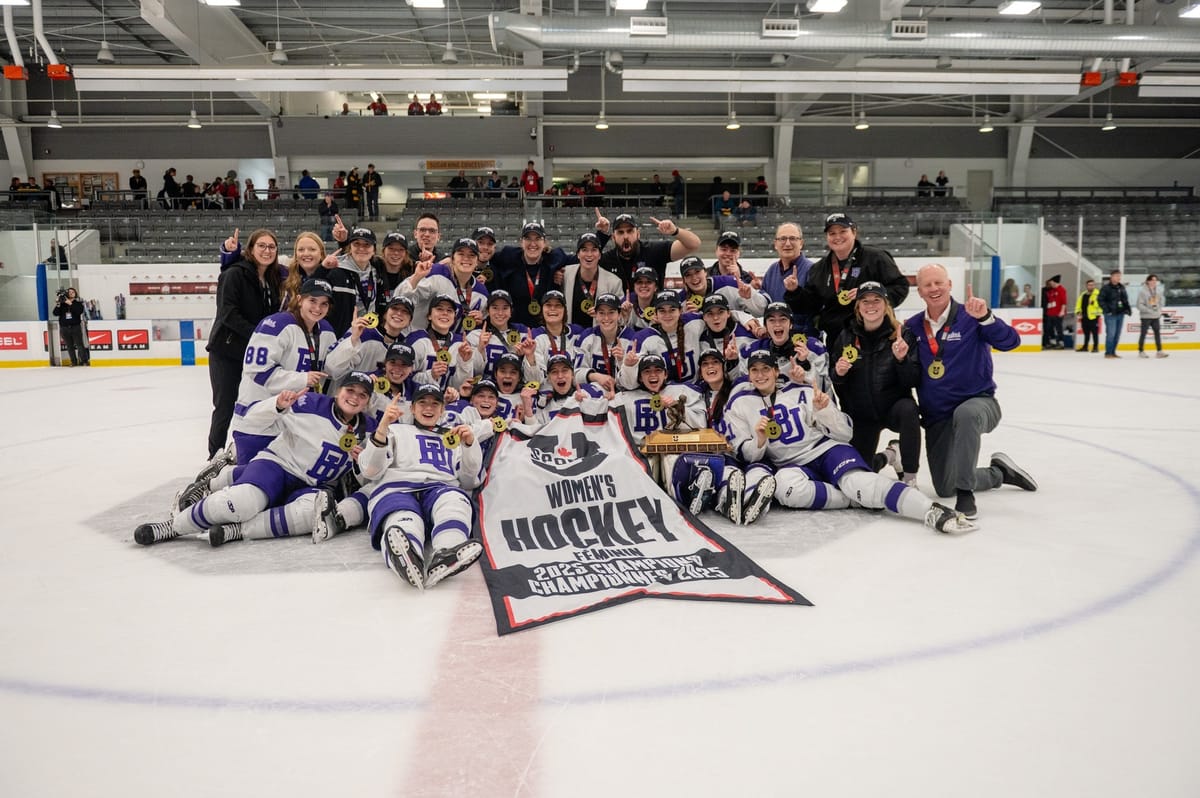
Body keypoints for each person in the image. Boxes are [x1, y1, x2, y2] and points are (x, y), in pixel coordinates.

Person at [720, 351, 975, 532]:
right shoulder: (739, 404)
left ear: (776, 371)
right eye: (755, 370)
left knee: (857, 481)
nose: (761, 374)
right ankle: (856, 498)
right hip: (789, 464)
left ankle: (930, 510)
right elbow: (748, 456)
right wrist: (760, 440)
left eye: (766, 369)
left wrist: (825, 412)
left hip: (826, 449)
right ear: (748, 374)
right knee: (786, 491)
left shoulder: (802, 391)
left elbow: (845, 434)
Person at [134, 373, 376, 548]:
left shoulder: (369, 430)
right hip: (278, 467)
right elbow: (252, 421)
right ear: (338, 391)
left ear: (368, 402)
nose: (354, 398)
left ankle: (237, 531)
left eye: (362, 395)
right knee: (243, 503)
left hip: (310, 485)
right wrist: (277, 406)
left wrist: (362, 461)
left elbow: (370, 473)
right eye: (349, 390)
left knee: (310, 515)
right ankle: (172, 527)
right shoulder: (310, 404)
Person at [904, 263, 1037, 520]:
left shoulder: (971, 315)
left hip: (979, 404)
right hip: (938, 417)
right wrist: (900, 359)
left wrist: (986, 317)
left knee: (965, 415)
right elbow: (910, 374)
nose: (934, 289)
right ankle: (999, 473)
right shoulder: (912, 327)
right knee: (944, 487)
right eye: (927, 285)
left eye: (939, 282)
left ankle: (966, 493)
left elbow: (1011, 342)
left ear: (949, 285)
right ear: (919, 291)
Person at [358, 384, 484, 590]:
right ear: (413, 409)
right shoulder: (395, 430)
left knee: (455, 501)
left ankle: (447, 552)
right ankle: (406, 554)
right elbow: (370, 471)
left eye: (435, 404)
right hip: (398, 488)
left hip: (439, 488)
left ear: (442, 410)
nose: (429, 408)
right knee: (402, 515)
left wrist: (469, 445)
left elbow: (469, 481)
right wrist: (382, 429)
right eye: (422, 403)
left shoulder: (452, 438)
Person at [829, 282, 921, 486]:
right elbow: (834, 378)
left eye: (876, 300)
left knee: (909, 410)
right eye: (865, 301)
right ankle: (889, 455)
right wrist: (839, 372)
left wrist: (901, 360)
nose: (871, 305)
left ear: (885, 304)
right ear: (858, 307)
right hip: (862, 416)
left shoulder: (902, 335)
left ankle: (910, 477)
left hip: (893, 408)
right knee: (859, 476)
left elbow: (912, 380)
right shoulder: (846, 336)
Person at [205, 229, 283, 460]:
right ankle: (214, 456)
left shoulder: (273, 278)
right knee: (225, 406)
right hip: (226, 352)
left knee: (256, 406)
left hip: (254, 355)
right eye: (262, 246)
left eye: (271, 247)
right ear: (250, 249)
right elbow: (228, 314)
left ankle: (250, 454)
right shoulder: (234, 274)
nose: (267, 251)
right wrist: (260, 336)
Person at [787, 212, 909, 346]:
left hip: (876, 337)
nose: (837, 237)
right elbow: (810, 305)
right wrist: (794, 292)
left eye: (843, 231)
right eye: (832, 233)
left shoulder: (876, 258)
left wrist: (869, 295)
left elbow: (900, 287)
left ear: (854, 232)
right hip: (837, 339)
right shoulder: (819, 268)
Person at [599, 212, 701, 291]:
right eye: (620, 232)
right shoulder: (607, 259)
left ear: (638, 234)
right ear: (613, 237)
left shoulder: (654, 251)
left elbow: (694, 244)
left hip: (654, 314)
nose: (626, 236)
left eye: (630, 231)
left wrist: (675, 231)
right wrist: (601, 235)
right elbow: (585, 263)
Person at [324, 227, 382, 337]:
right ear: (350, 247)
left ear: (374, 250)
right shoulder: (335, 270)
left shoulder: (376, 270)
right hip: (342, 334)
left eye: (366, 245)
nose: (361, 248)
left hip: (368, 332)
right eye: (356, 244)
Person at [561, 231, 623, 327]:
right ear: (578, 254)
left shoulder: (614, 282)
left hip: (599, 337)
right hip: (570, 337)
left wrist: (603, 313)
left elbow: (620, 319)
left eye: (594, 250)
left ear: (599, 255)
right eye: (584, 250)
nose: (589, 254)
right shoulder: (565, 274)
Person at [761, 223, 814, 309]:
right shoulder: (772, 270)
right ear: (775, 244)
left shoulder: (812, 270)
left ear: (801, 243)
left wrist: (795, 291)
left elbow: (813, 307)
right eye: (783, 239)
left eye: (792, 238)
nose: (788, 244)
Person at [1098, 269, 1132, 359]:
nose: (1118, 278)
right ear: (1111, 277)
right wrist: (1107, 310)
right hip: (1110, 314)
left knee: (1117, 334)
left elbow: (1125, 299)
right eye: (1117, 276)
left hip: (1120, 314)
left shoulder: (1121, 287)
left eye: (1119, 276)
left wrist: (1127, 309)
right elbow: (1100, 300)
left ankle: (1113, 352)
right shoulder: (1106, 288)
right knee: (1111, 334)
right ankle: (1108, 353)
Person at [52, 287, 90, 367]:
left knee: (80, 345)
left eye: (73, 292)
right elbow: (55, 313)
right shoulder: (62, 304)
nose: (71, 293)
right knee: (69, 346)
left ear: (75, 293)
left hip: (75, 327)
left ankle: (84, 361)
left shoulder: (78, 303)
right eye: (69, 292)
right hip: (64, 328)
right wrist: (58, 304)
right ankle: (73, 362)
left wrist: (70, 303)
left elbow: (79, 311)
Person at [1136, 274, 1169, 359]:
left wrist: (1158, 308)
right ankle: (1141, 351)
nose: (1154, 282)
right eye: (1152, 280)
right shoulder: (1142, 292)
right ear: (1148, 281)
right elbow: (1139, 305)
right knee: (1143, 333)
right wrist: (1148, 310)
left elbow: (1161, 301)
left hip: (1155, 316)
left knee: (1157, 333)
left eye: (1155, 280)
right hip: (1146, 316)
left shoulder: (1158, 291)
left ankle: (1159, 351)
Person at [1075, 278, 1101, 353]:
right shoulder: (1083, 294)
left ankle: (1095, 347)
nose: (1091, 286)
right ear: (1086, 286)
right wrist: (1078, 312)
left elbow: (1101, 305)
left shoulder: (1098, 294)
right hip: (1084, 316)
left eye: (1092, 285)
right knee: (1086, 332)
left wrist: (1093, 303)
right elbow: (1078, 304)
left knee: (1094, 333)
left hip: (1093, 317)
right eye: (1089, 285)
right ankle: (1085, 346)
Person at [1042, 274, 1067, 350]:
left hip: (1058, 312)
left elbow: (1064, 302)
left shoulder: (1061, 289)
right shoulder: (1052, 290)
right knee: (1049, 328)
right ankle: (1052, 342)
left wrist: (1062, 311)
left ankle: (1061, 342)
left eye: (1051, 282)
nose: (1050, 284)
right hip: (1050, 313)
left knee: (1058, 328)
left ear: (1054, 282)